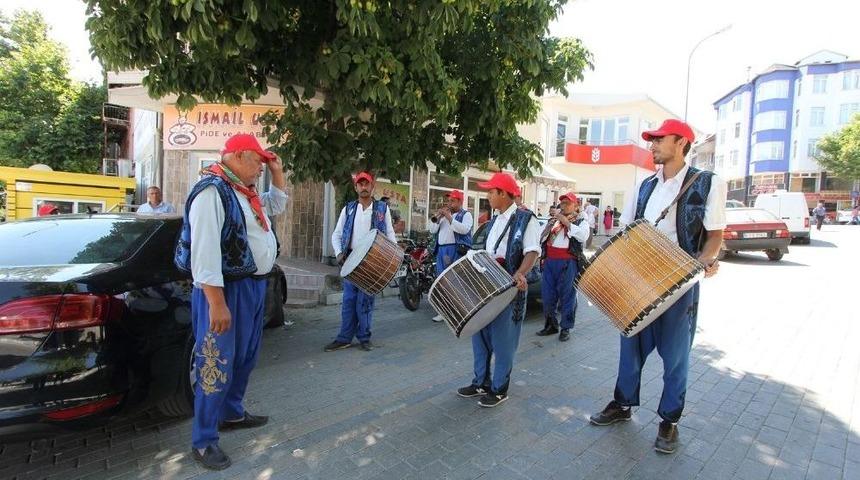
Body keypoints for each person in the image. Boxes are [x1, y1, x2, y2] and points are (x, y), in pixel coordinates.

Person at [589, 119, 726, 454]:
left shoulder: (708, 183)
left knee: (676, 356)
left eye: (658, 140)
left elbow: (715, 235)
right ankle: (623, 404)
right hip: (639, 279)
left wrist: (706, 260)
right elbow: (627, 232)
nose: (651, 146)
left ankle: (669, 421)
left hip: (679, 284)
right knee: (629, 346)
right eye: (651, 140)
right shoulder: (645, 186)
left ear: (681, 142)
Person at [173, 133, 288, 470]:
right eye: (257, 162)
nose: (260, 170)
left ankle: (232, 414)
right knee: (215, 364)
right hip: (224, 292)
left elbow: (277, 204)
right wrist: (216, 303)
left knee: (246, 357)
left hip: (252, 287)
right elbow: (204, 252)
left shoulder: (243, 191)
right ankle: (204, 440)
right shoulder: (212, 191)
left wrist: (277, 172)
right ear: (237, 156)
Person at [456, 172, 539, 407]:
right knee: (480, 337)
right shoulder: (493, 222)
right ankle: (480, 381)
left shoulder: (526, 219)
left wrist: (520, 273)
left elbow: (532, 250)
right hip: (487, 286)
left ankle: (499, 388)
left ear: (503, 193)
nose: (488, 196)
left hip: (509, 289)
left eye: (491, 192)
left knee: (503, 341)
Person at [327, 172, 397, 352]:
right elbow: (337, 234)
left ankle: (364, 337)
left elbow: (390, 234)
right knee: (349, 301)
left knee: (365, 302)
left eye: (367, 184)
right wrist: (338, 253)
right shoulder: (348, 208)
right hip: (350, 261)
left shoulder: (382, 209)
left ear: (372, 187)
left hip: (373, 261)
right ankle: (344, 338)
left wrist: (393, 255)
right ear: (356, 187)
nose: (364, 187)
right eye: (360, 184)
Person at [536, 192, 589, 341]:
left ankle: (566, 327)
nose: (563, 205)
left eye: (567, 203)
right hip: (550, 262)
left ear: (575, 205)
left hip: (568, 263)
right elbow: (542, 237)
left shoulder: (581, 222)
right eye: (562, 203)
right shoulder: (553, 221)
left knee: (567, 297)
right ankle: (551, 325)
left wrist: (567, 223)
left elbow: (583, 236)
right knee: (547, 296)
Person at [428, 189, 473, 322]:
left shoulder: (466, 215)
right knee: (441, 282)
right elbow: (432, 230)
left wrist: (448, 217)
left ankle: (459, 311)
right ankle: (443, 311)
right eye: (449, 200)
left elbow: (464, 230)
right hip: (442, 250)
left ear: (460, 201)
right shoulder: (443, 217)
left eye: (452, 201)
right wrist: (438, 218)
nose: (449, 203)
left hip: (456, 250)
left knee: (455, 281)